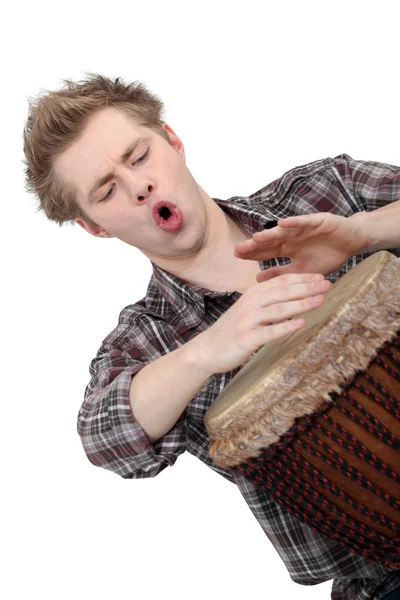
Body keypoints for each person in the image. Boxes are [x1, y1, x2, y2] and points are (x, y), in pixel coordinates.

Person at [23, 73, 400, 600]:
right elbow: (105, 440)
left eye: (138, 156)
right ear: (95, 226)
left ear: (173, 141)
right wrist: (206, 351)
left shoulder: (321, 190)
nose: (138, 187)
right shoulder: (149, 339)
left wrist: (365, 231)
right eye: (106, 191)